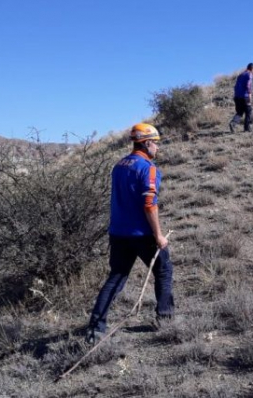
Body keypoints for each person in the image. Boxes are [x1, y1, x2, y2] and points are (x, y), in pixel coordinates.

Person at [85, 123, 174, 344]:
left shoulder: (119, 166)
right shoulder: (148, 168)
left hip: (118, 233)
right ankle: (166, 319)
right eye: (156, 143)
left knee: (116, 278)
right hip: (142, 234)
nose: (157, 148)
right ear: (146, 143)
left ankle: (95, 329)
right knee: (164, 271)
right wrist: (159, 235)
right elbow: (149, 204)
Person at [229, 63, 253, 133]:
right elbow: (248, 85)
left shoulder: (240, 75)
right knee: (248, 111)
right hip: (245, 96)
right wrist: (249, 95)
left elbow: (235, 86)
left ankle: (233, 123)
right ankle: (247, 128)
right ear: (252, 69)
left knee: (240, 112)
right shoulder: (249, 74)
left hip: (237, 97)